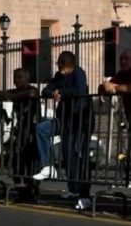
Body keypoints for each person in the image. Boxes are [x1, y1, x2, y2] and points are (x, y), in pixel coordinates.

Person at [33, 51, 94, 210]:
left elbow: (80, 91)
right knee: (64, 151)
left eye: (62, 65)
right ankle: (53, 171)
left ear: (70, 64)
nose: (60, 68)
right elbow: (45, 90)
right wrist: (53, 93)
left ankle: (83, 193)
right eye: (59, 64)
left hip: (80, 120)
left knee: (79, 155)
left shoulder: (79, 73)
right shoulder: (58, 76)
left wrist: (61, 93)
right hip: (65, 120)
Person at [0, 68, 40, 202]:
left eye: (19, 77)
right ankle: (22, 192)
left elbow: (32, 94)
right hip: (18, 132)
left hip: (30, 132)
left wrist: (8, 96)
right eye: (15, 77)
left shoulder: (32, 90)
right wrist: (3, 94)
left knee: (30, 165)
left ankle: (32, 192)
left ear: (27, 78)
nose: (16, 80)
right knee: (15, 162)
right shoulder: (15, 92)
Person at [99, 49, 131, 188]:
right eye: (121, 59)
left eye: (126, 58)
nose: (123, 61)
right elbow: (106, 86)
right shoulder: (122, 74)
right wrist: (104, 86)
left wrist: (114, 87)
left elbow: (127, 88)